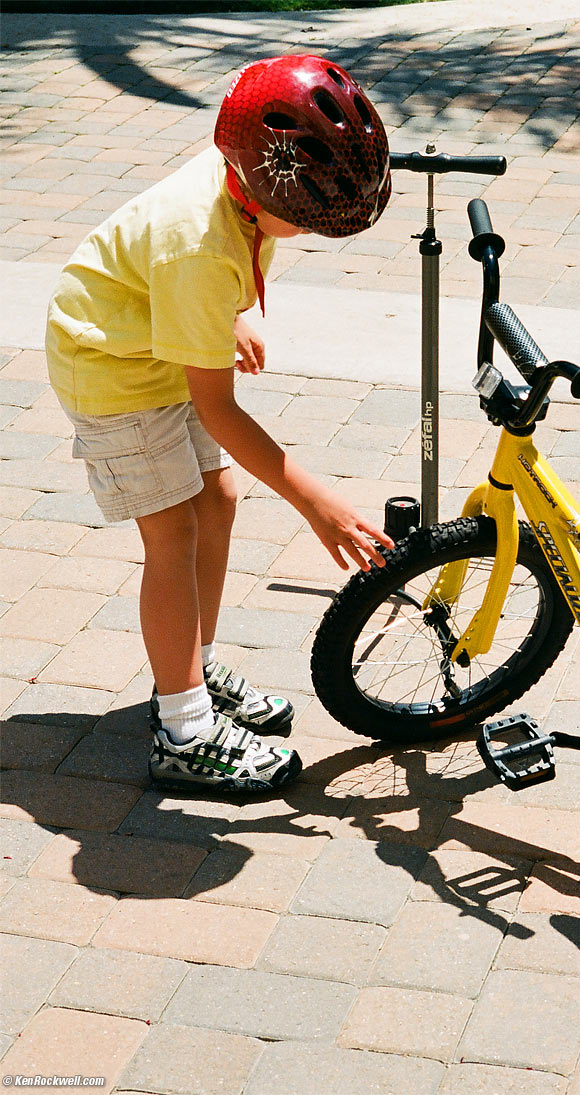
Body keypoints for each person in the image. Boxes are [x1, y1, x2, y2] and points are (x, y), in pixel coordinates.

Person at [45, 55, 394, 793]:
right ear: (257, 182)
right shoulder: (198, 245)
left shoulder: (244, 181)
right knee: (172, 532)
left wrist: (226, 314)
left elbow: (218, 260)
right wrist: (314, 501)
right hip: (107, 361)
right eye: (300, 218)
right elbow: (219, 407)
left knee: (220, 499)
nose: (301, 231)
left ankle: (191, 669)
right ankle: (183, 728)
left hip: (152, 330)